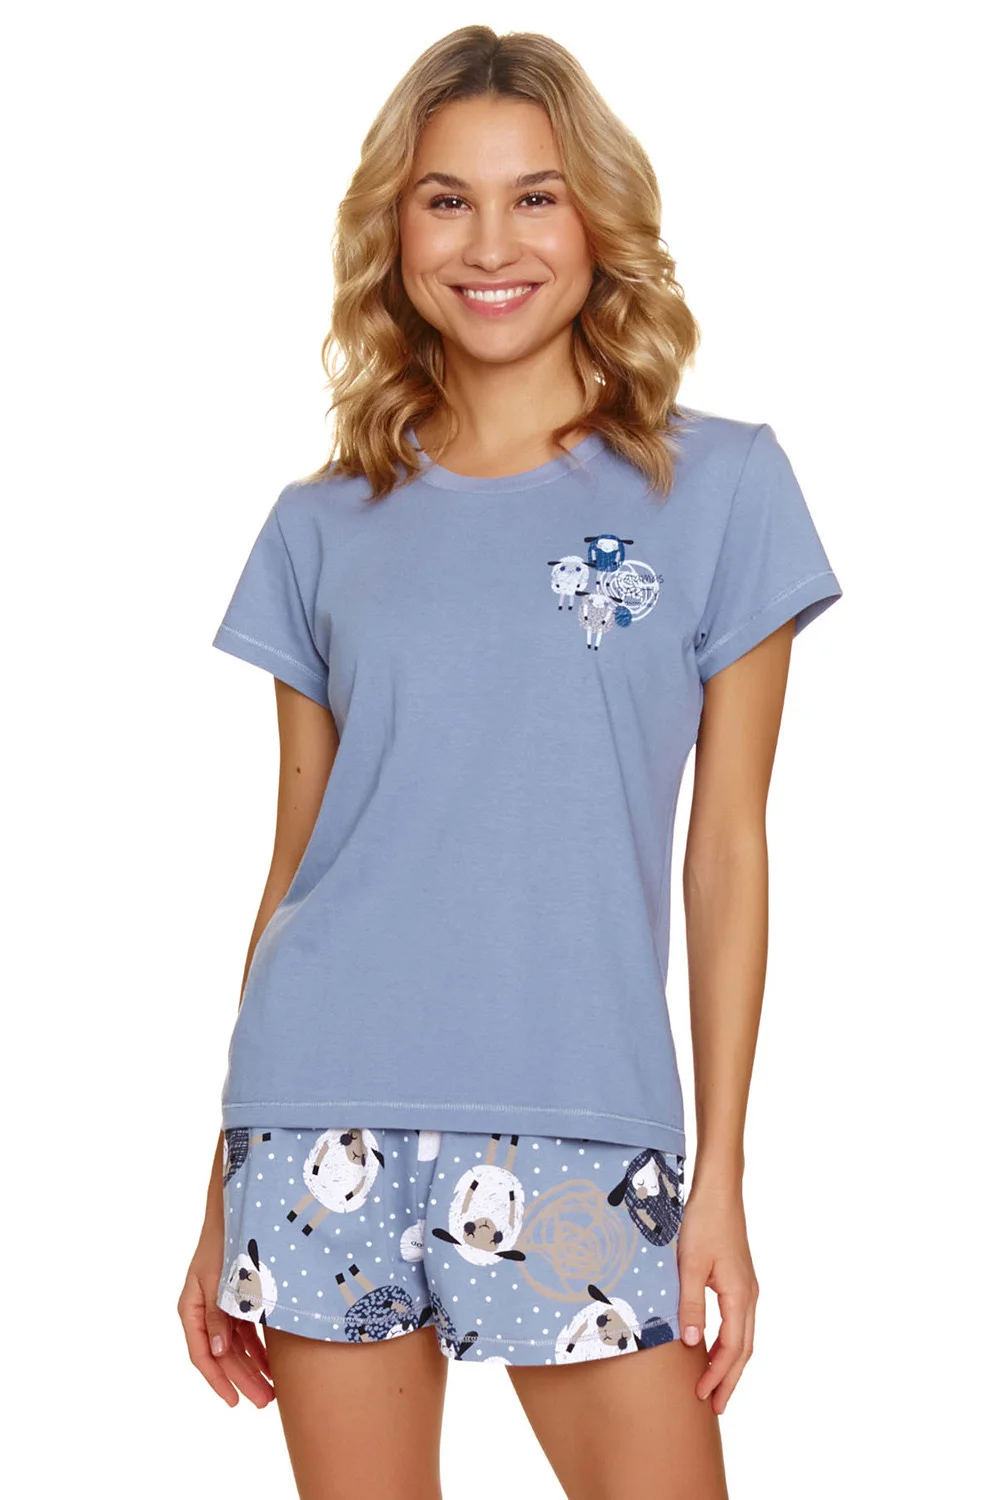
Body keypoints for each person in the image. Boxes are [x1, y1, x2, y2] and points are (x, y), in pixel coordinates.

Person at [177, 25, 842, 1500]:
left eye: (535, 196)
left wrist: (721, 1176)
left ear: (597, 217)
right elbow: (297, 862)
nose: (491, 243)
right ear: (395, 230)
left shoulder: (719, 485)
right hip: (317, 1110)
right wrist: (221, 1181)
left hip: (582, 1126)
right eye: (447, 200)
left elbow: (728, 848)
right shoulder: (320, 524)